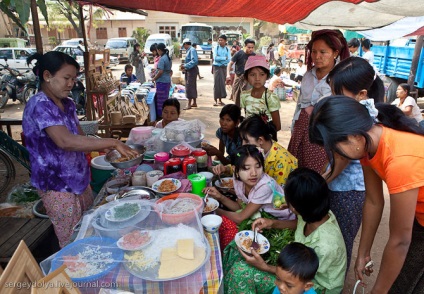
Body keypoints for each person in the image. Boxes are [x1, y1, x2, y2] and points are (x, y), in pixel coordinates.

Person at [308, 95, 424, 293]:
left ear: (353, 137)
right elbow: (373, 201)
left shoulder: (401, 161)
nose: (337, 156)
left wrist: (377, 291)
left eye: (335, 149)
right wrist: (363, 253)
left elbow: (400, 241)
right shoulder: (368, 143)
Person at [22, 51, 138, 248]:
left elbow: (78, 137)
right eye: (66, 78)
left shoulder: (67, 104)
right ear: (47, 76)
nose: (71, 84)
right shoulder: (39, 105)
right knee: (72, 241)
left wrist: (106, 151)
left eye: (74, 79)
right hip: (57, 186)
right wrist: (112, 142)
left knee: (89, 229)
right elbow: (65, 141)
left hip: (79, 179)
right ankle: (73, 278)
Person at [224, 168, 347, 294]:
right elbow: (299, 223)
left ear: (294, 207)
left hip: (314, 287)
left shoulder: (325, 246)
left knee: (241, 271)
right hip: (296, 268)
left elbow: (298, 278)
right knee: (236, 247)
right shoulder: (314, 211)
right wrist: (272, 223)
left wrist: (264, 267)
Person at [323, 56, 385, 269]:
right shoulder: (362, 109)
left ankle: (334, 282)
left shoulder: (358, 119)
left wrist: (322, 181)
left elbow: (343, 158)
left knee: (340, 240)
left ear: (361, 94)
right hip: (342, 184)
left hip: (348, 190)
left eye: (337, 93)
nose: (333, 98)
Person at [204, 145, 293, 249]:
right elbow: (241, 207)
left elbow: (241, 217)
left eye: (258, 166)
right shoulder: (238, 179)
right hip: (260, 218)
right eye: (246, 168)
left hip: (282, 223)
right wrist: (220, 197)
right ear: (235, 170)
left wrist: (214, 210)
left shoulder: (265, 186)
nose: (254, 173)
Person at [287, 29, 350, 174]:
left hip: (323, 133)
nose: (317, 57)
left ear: (335, 53)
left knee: (317, 174)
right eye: (314, 52)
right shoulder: (308, 75)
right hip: (301, 129)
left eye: (323, 52)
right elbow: (299, 105)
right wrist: (294, 128)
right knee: (297, 171)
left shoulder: (341, 78)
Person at [238, 114, 297, 186]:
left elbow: (279, 195)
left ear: (260, 140)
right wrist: (227, 169)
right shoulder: (260, 150)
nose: (243, 145)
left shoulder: (283, 162)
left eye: (246, 141)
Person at [240, 55, 282, 134]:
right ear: (246, 77)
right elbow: (247, 116)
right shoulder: (244, 96)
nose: (257, 78)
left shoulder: (270, 97)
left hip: (265, 141)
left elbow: (277, 126)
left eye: (262, 74)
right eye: (252, 75)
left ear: (267, 76)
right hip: (249, 140)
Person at [227, 38, 256, 107]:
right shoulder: (239, 53)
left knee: (248, 101)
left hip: (249, 80)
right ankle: (237, 115)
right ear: (245, 46)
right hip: (239, 78)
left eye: (252, 47)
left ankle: (248, 116)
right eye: (249, 47)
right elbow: (230, 64)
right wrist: (228, 74)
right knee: (237, 100)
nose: (251, 49)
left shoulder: (254, 55)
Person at [152, 43, 172, 118]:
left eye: (157, 50)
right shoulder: (167, 57)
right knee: (165, 99)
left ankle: (161, 115)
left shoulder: (162, 59)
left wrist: (154, 78)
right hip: (167, 81)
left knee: (161, 100)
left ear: (159, 50)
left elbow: (160, 71)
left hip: (162, 82)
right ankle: (165, 115)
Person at [213, 35, 231, 106]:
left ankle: (220, 100)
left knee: (222, 84)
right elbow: (215, 58)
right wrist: (224, 58)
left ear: (225, 41)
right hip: (217, 67)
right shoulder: (216, 48)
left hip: (224, 68)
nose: (220, 41)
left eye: (221, 40)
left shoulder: (227, 49)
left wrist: (221, 58)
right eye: (219, 40)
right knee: (216, 83)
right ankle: (215, 100)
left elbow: (229, 59)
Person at [180, 38, 199, 110]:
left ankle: (189, 104)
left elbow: (194, 61)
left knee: (189, 86)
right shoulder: (190, 50)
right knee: (192, 85)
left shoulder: (192, 50)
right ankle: (194, 102)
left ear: (185, 44)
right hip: (190, 69)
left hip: (192, 70)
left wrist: (185, 66)